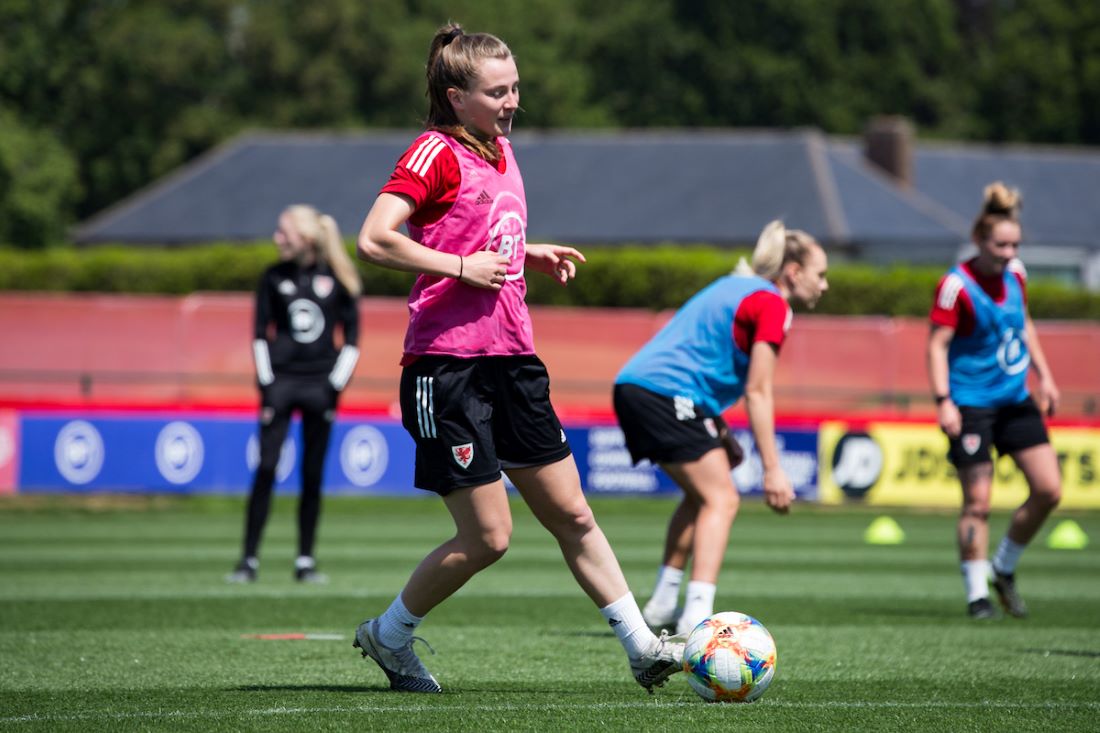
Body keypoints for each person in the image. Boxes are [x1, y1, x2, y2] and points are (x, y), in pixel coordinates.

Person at [352, 23, 682, 695]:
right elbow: (374, 238)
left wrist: (525, 251)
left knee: (574, 514)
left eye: (516, 87)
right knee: (490, 539)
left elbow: (476, 228)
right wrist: (460, 265)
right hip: (447, 370)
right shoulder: (432, 151)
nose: (512, 102)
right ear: (455, 97)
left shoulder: (501, 149)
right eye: (497, 91)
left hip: (514, 360)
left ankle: (643, 647)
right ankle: (388, 635)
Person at [613, 220, 829, 635]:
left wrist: (717, 428)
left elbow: (699, 355)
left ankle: (660, 606)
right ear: (794, 272)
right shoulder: (773, 303)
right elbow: (759, 391)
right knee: (723, 499)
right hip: (666, 393)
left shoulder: (735, 285)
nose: (825, 285)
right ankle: (696, 617)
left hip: (640, 388)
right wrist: (772, 469)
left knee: (702, 495)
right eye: (820, 275)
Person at [926, 182, 1061, 620]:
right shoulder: (955, 285)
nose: (1008, 253)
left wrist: (1046, 376)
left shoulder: (1017, 274)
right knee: (978, 502)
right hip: (971, 405)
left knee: (1049, 490)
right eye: (1001, 244)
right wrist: (944, 401)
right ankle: (976, 595)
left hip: (1015, 398)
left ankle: (1003, 568)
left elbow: (1024, 324)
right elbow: (936, 346)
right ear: (980, 240)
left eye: (1015, 244)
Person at [227, 204, 362, 584]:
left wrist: (334, 385)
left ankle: (305, 560)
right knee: (267, 468)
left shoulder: (337, 278)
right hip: (281, 384)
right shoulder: (272, 277)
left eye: (282, 232)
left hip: (321, 386)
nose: (276, 238)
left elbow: (352, 341)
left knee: (312, 474)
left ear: (304, 237)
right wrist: (268, 383)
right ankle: (249, 560)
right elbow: (259, 334)